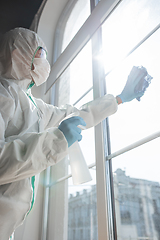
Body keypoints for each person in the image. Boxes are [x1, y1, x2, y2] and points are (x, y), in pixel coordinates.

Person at [0, 28, 145, 240]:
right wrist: (56, 140)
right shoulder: (3, 94)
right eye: (40, 54)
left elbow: (75, 115)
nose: (45, 62)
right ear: (19, 53)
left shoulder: (34, 106)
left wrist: (119, 99)